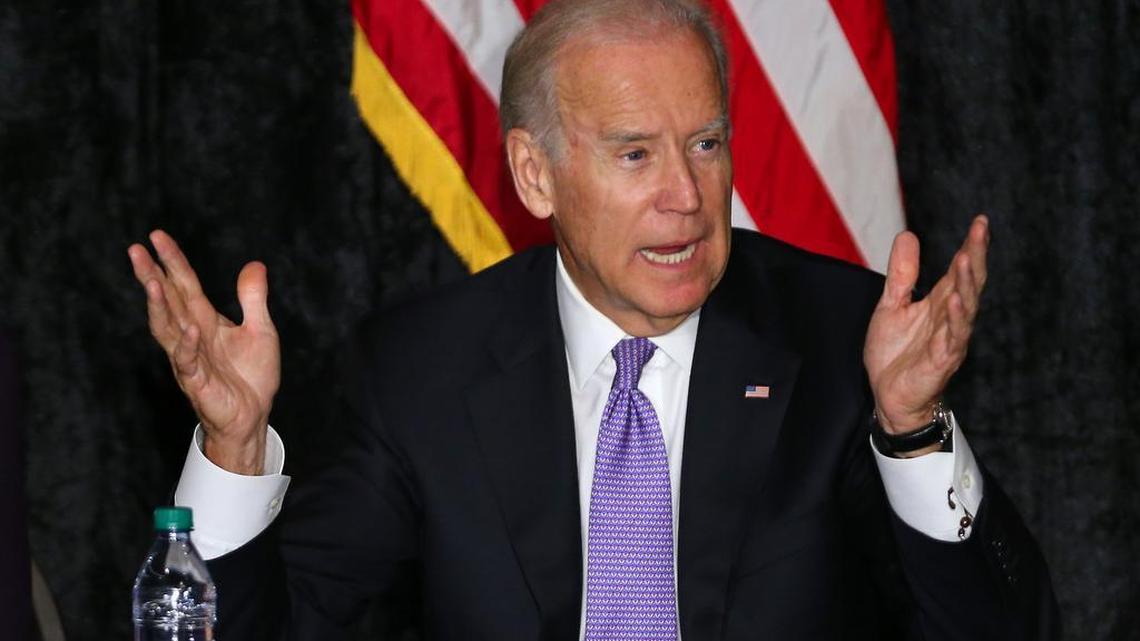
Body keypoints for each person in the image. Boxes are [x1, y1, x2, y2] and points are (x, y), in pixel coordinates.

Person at [127, 0, 1058, 638]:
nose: (687, 197)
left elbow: (1002, 629)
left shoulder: (840, 336)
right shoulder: (422, 370)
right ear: (536, 175)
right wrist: (235, 447)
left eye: (705, 143)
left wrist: (913, 432)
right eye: (634, 155)